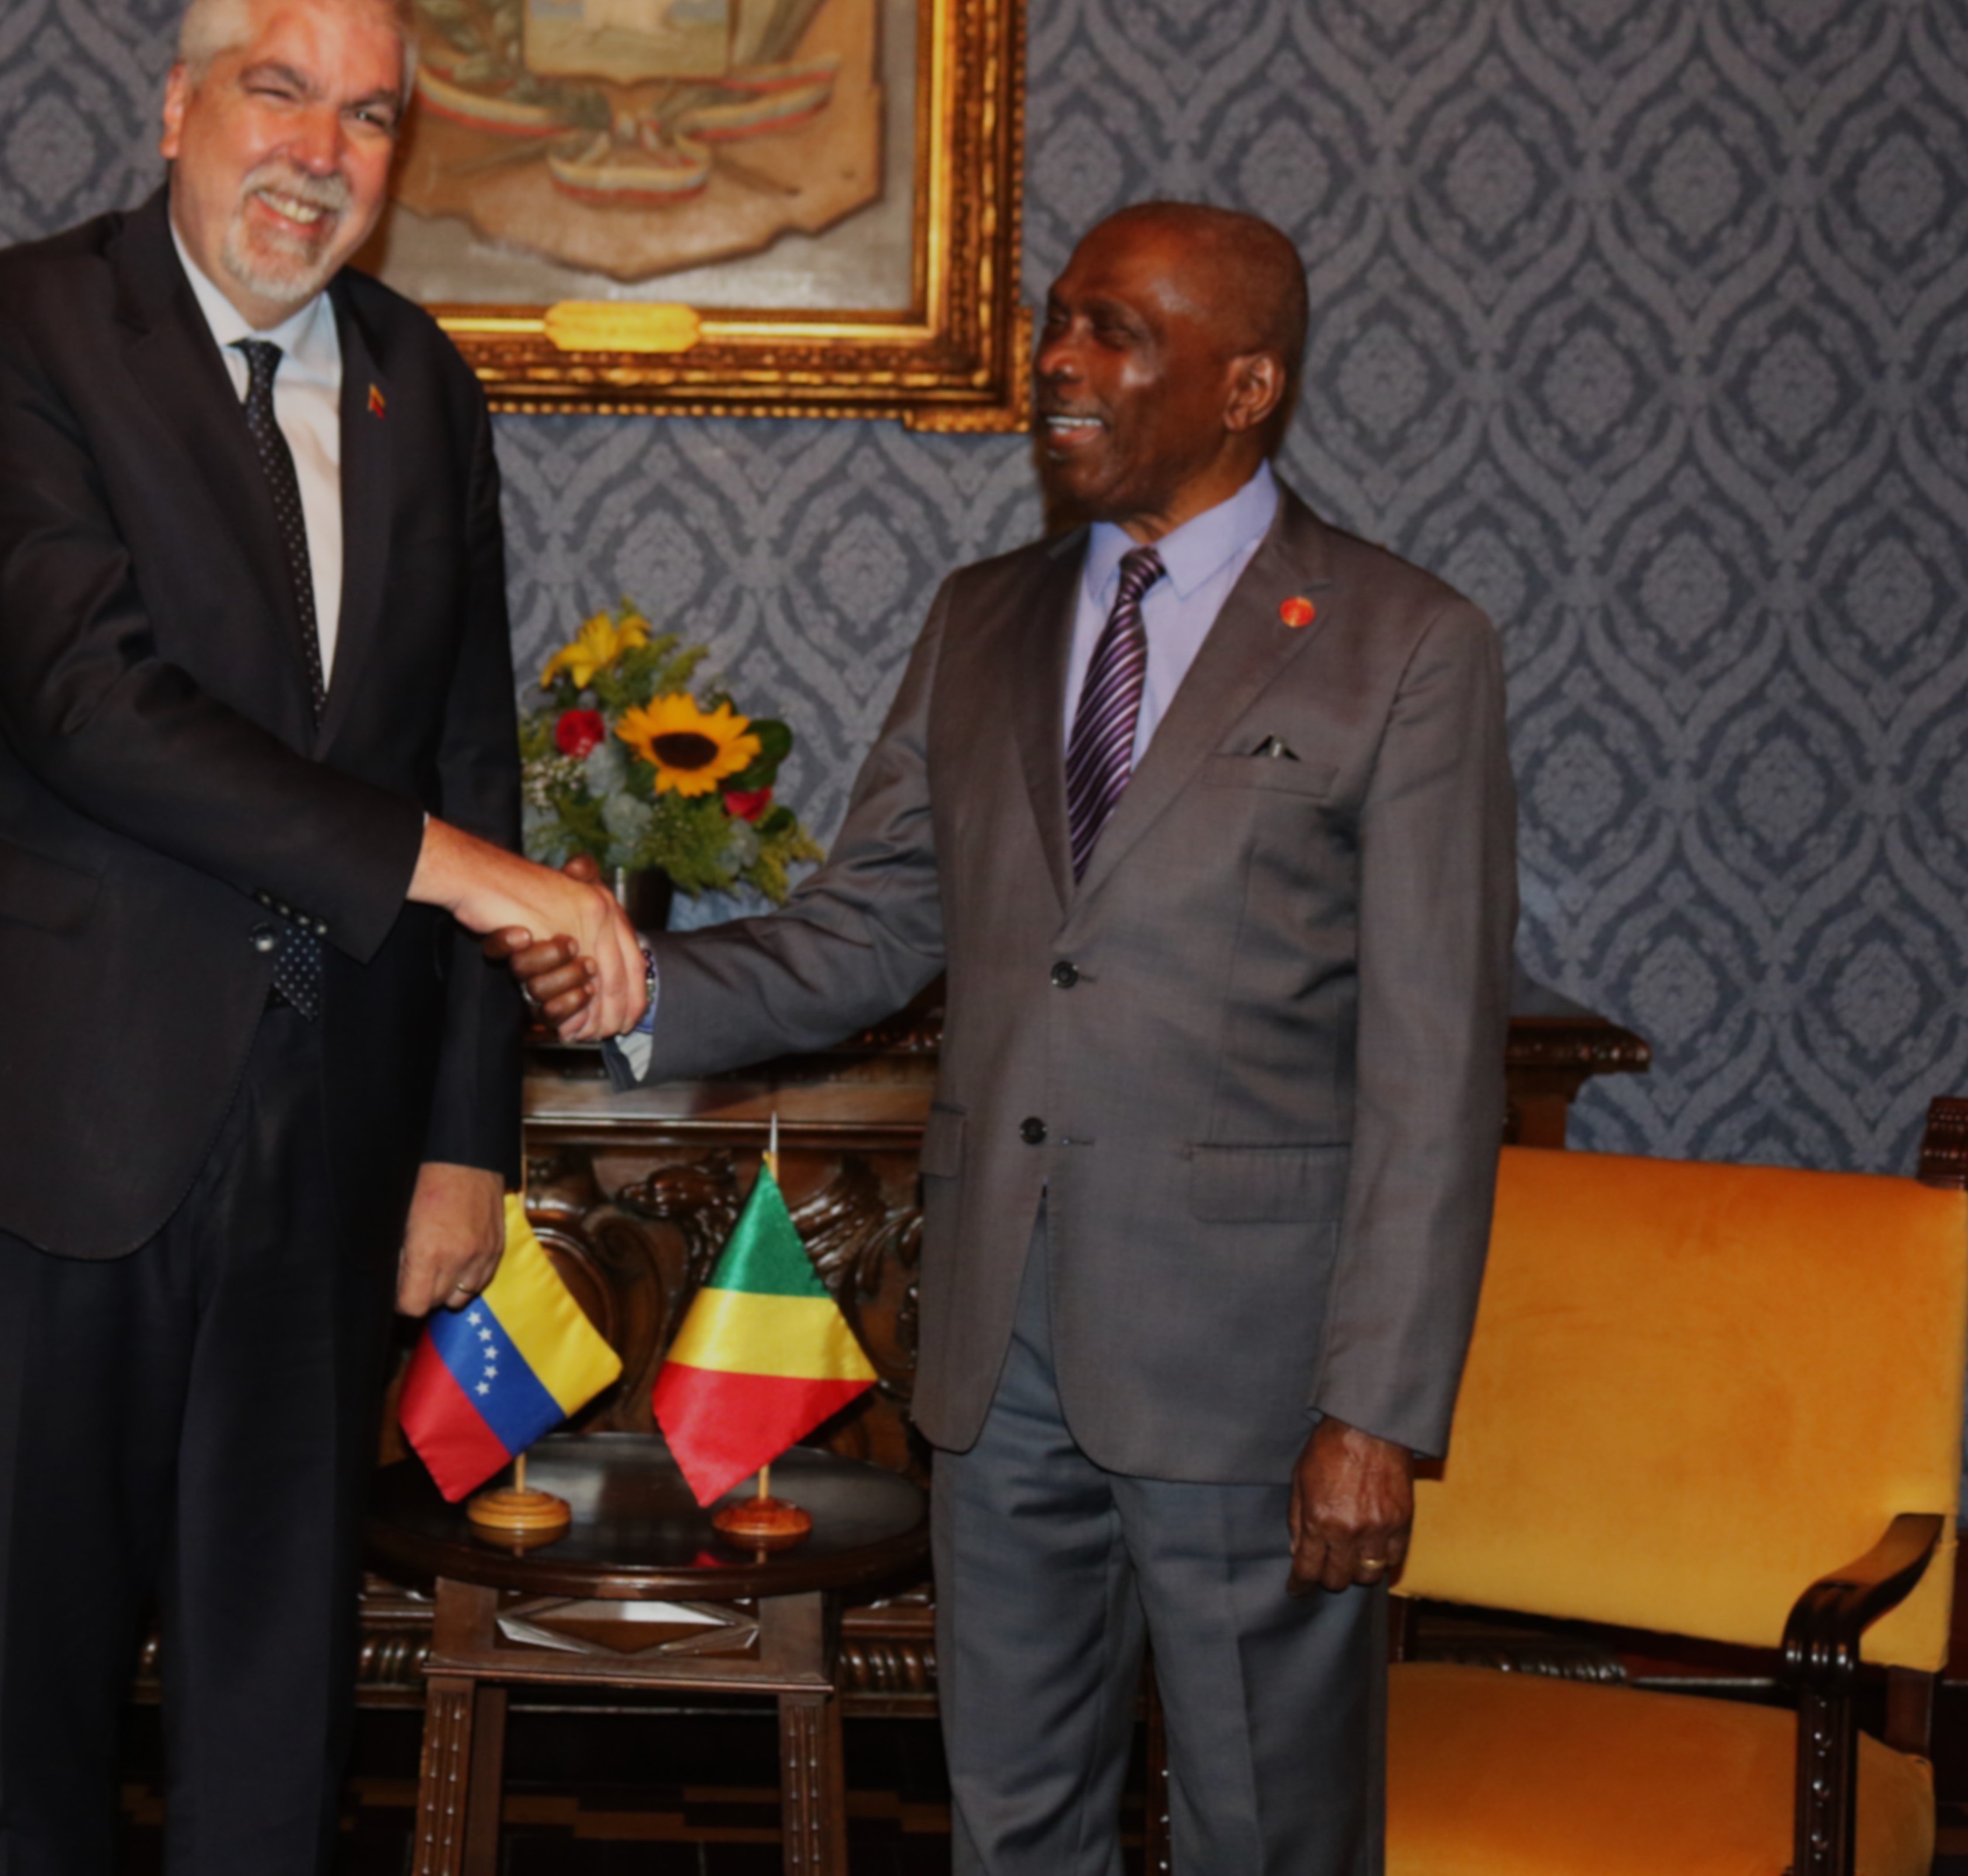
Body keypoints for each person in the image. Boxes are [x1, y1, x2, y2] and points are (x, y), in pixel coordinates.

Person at [502, 202, 1518, 1874]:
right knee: (1012, 1823)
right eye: (1057, 320)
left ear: (1247, 383)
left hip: (1252, 1377)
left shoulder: (1402, 645)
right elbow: (873, 926)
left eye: (1116, 331)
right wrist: (640, 992)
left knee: (1266, 1834)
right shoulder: (982, 616)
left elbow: (1434, 1068)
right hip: (994, 1352)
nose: (1057, 361)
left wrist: (1376, 1411)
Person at [0, 0, 642, 1873]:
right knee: (27, 1725)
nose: (317, 150)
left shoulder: (422, 387)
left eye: (367, 117)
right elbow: (91, 708)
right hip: (45, 1118)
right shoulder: (7, 332)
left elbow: (466, 751)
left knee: (279, 1716)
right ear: (178, 104)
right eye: (278, 90)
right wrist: (471, 877)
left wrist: (462, 1142)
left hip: (331, 1145)